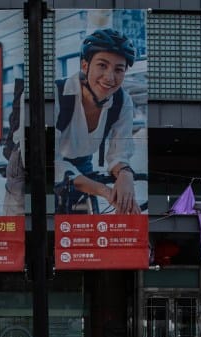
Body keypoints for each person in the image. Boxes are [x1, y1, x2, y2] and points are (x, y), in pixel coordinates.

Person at [55, 27, 141, 215]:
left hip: (82, 163)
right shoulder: (57, 95)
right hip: (40, 164)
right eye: (102, 65)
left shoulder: (122, 101)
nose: (110, 77)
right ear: (85, 66)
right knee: (34, 222)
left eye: (119, 69)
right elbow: (49, 161)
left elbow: (119, 152)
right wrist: (104, 191)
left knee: (85, 224)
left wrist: (125, 174)